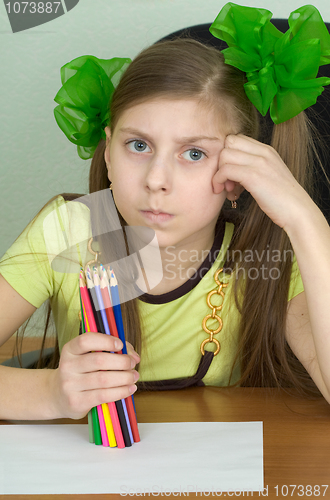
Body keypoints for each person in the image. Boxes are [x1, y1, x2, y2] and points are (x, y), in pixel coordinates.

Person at [1, 2, 330, 421]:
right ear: (108, 153)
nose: (157, 179)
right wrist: (51, 392)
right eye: (138, 146)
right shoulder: (67, 231)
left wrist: (304, 218)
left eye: (193, 153)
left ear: (235, 173)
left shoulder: (269, 257)